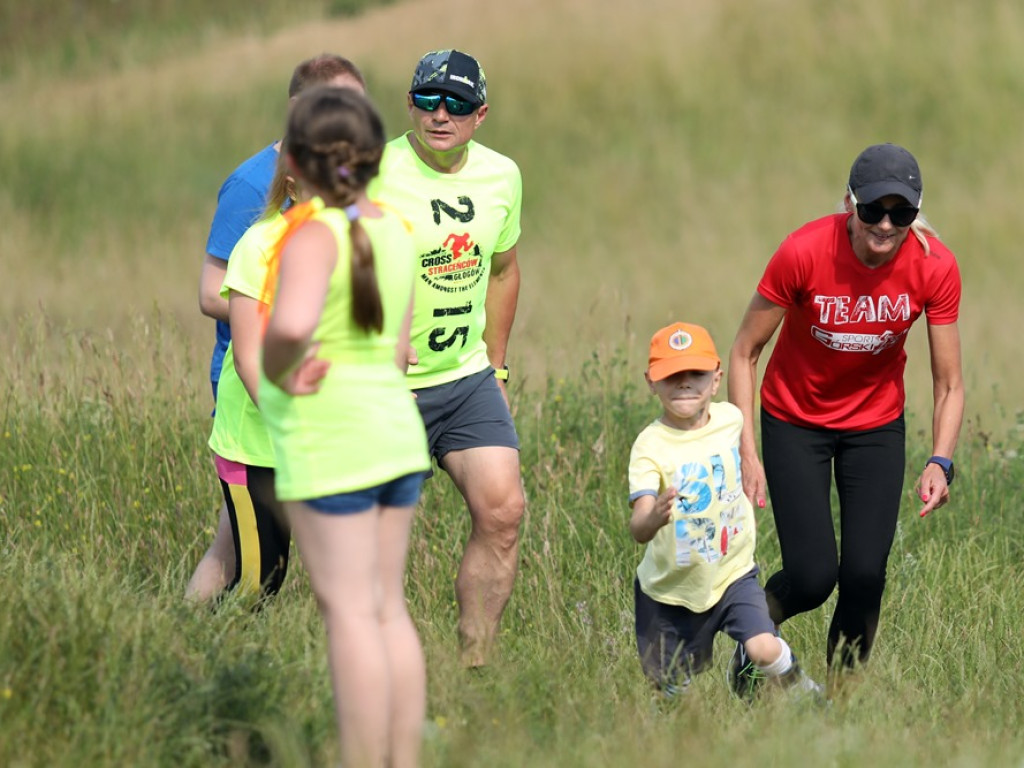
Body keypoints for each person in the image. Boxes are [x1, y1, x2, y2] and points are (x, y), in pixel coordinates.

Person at [728, 143, 964, 674]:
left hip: (876, 426)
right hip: (794, 419)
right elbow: (744, 352)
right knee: (813, 578)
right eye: (872, 210)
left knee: (864, 576)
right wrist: (747, 452)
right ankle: (752, 638)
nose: (885, 225)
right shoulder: (804, 252)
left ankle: (838, 711)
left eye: (901, 213)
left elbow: (949, 382)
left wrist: (941, 459)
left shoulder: (935, 266)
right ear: (848, 203)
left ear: (916, 212)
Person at [260, 86, 429, 768]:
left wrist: (280, 369)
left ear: (297, 159)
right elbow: (395, 346)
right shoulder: (394, 228)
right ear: (373, 158)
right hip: (396, 434)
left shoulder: (312, 235)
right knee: (388, 608)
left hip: (333, 441)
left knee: (350, 614)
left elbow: (294, 325)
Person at [186, 54, 367, 602]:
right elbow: (210, 292)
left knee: (250, 553)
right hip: (251, 393)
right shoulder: (250, 190)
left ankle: (193, 644)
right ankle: (199, 648)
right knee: (248, 556)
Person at [370, 49, 525, 667]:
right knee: (382, 539)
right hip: (387, 385)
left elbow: (506, 269)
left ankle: (474, 663)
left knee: (504, 512)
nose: (440, 114)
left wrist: (499, 364)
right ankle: (382, 662)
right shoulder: (373, 170)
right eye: (427, 99)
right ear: (408, 104)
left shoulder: (503, 177)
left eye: (456, 103)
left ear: (479, 114)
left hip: (466, 378)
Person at [629, 322, 821, 700]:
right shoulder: (650, 445)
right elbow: (639, 525)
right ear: (651, 381)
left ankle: (809, 698)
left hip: (734, 573)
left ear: (716, 379)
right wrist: (654, 517)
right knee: (671, 691)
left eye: (696, 374)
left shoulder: (731, 420)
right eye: (671, 375)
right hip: (672, 590)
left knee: (763, 648)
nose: (685, 383)